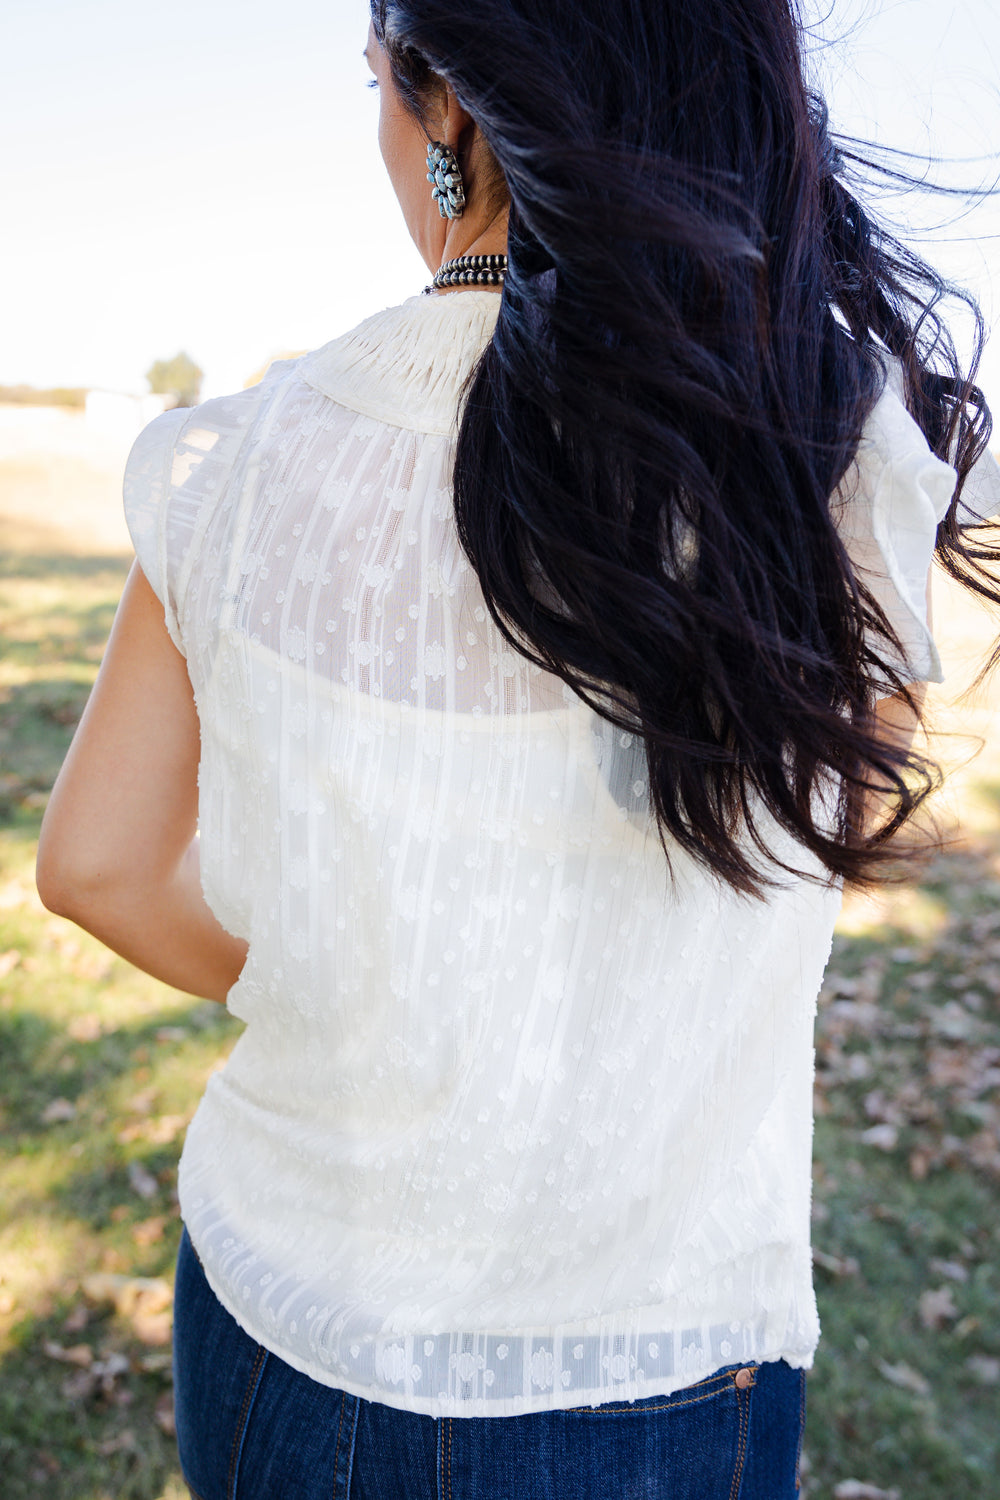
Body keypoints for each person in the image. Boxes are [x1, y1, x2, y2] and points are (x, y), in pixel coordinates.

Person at [36, 2, 1000, 1496]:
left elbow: (95, 866)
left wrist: (333, 982)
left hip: (296, 1324)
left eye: (379, 86)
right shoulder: (826, 445)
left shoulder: (238, 461)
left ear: (455, 119)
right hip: (666, 1368)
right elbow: (835, 824)